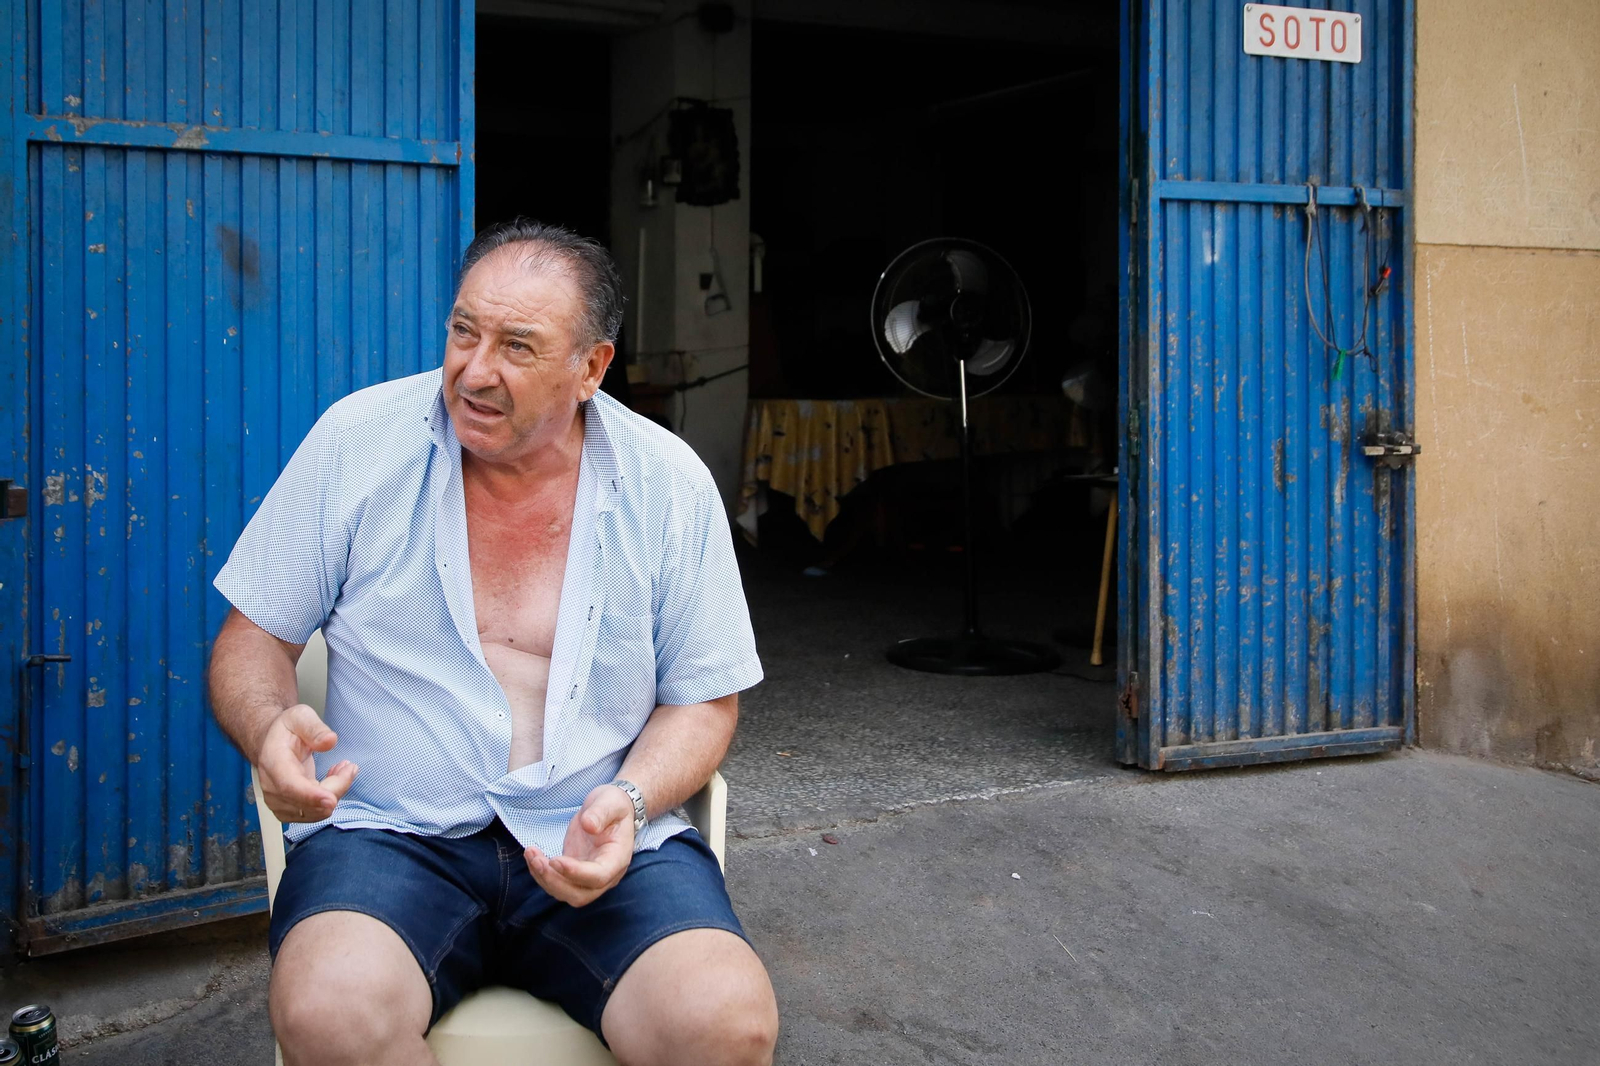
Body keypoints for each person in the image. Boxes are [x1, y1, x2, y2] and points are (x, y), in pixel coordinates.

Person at [207, 219, 778, 1066]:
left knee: (723, 1023)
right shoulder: (356, 442)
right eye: (463, 331)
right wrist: (267, 728)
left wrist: (626, 804)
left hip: (595, 835)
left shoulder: (669, 484)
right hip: (392, 835)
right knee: (330, 1013)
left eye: (517, 346)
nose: (474, 372)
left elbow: (704, 698)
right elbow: (250, 641)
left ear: (591, 368)